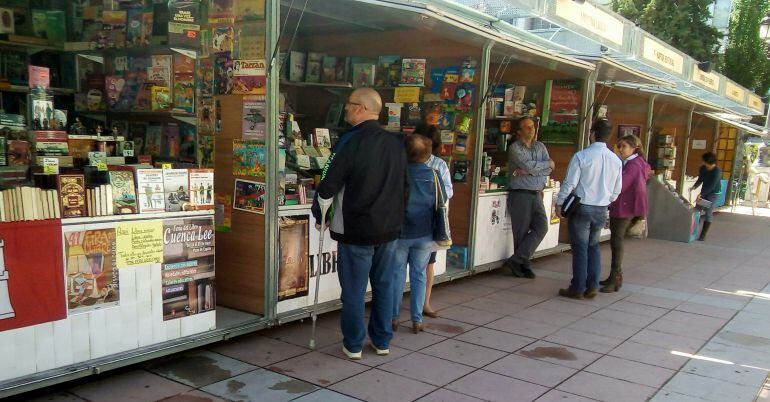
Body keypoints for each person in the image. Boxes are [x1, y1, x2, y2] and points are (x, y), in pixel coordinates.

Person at [312, 88, 408, 360]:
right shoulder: (396, 142)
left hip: (356, 227)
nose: (345, 110)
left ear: (360, 109)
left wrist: (321, 216)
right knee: (384, 286)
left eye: (349, 105)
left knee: (354, 290)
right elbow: (404, 186)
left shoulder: (349, 141)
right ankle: (382, 340)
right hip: (388, 228)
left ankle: (354, 344)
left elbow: (329, 181)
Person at [555, 119, 622, 300]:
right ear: (608, 136)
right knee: (594, 247)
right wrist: (606, 199)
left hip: (582, 207)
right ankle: (592, 286)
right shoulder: (616, 160)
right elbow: (617, 190)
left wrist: (560, 202)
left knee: (580, 248)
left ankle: (577, 287)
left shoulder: (581, 156)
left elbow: (570, 183)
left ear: (592, 133)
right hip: (601, 209)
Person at [391, 135, 446, 334]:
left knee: (396, 274)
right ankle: (417, 319)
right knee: (419, 275)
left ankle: (394, 317)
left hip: (401, 232)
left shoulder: (398, 173)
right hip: (424, 233)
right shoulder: (433, 174)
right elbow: (443, 198)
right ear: (428, 154)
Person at [503, 116, 554, 278]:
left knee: (542, 227)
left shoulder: (540, 146)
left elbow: (550, 169)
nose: (531, 130)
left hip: (537, 192)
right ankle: (523, 265)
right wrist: (535, 168)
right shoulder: (515, 148)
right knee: (521, 232)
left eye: (532, 127)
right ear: (519, 131)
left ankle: (517, 260)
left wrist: (530, 170)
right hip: (521, 193)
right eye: (527, 127)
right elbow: (529, 165)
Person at [412, 124, 453, 318]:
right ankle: (421, 307)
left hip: (422, 223)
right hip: (426, 224)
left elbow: (446, 194)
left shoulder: (439, 165)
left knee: (424, 265)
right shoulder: (436, 165)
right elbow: (447, 194)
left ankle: (423, 303)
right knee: (425, 266)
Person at [602, 134, 651, 293]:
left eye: (623, 146)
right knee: (617, 242)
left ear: (633, 148)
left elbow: (621, 186)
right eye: (619, 146)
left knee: (617, 242)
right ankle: (614, 276)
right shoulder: (637, 163)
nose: (620, 149)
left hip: (624, 208)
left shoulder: (632, 165)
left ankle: (615, 277)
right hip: (629, 207)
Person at [690, 152, 722, 241]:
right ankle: (693, 231)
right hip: (704, 191)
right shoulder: (703, 168)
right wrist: (694, 186)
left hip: (714, 193)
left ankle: (703, 235)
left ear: (708, 161)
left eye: (704, 161)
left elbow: (712, 186)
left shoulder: (717, 171)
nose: (702, 162)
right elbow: (701, 179)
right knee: (697, 210)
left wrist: (701, 194)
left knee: (708, 212)